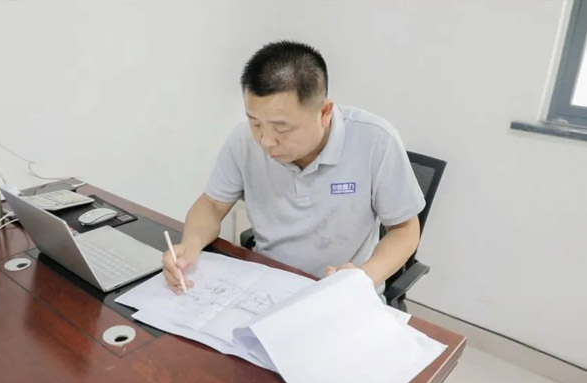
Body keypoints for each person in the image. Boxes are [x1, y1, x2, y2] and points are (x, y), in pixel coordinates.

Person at [163, 40, 424, 299]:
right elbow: (211, 204)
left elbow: (404, 229)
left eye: (281, 128)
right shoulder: (242, 140)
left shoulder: (376, 140)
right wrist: (191, 244)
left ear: (324, 112)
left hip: (342, 293)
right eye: (255, 123)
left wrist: (364, 277)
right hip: (266, 285)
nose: (266, 141)